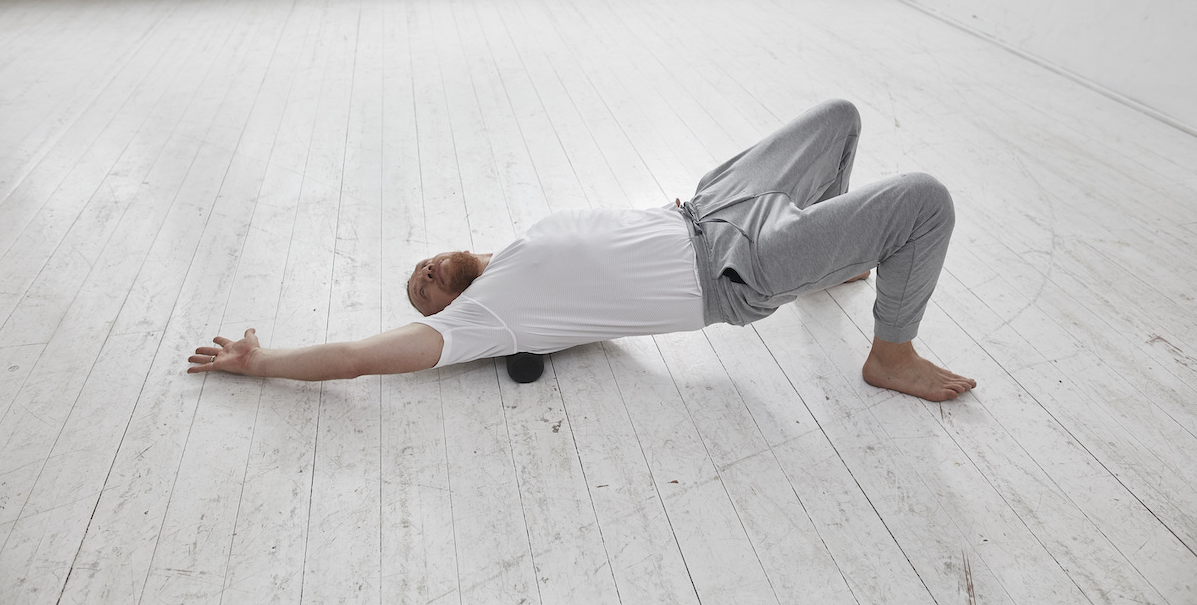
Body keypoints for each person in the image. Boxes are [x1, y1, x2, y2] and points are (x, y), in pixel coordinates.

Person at [189, 100, 976, 402]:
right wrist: (262, 361)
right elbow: (357, 358)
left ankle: (835, 262)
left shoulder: (521, 246)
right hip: (735, 268)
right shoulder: (491, 317)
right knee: (924, 200)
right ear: (450, 317)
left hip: (709, 206)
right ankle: (891, 354)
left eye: (422, 266)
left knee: (837, 117)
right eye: (420, 292)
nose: (423, 276)